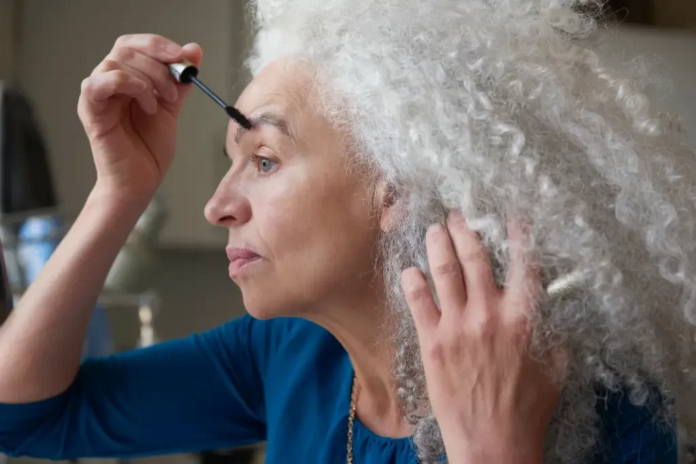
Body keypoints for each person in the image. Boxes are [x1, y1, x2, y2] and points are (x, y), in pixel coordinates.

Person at [0, 0, 695, 463]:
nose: (218, 206)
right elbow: (25, 417)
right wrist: (120, 191)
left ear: (395, 189)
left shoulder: (603, 408)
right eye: (233, 161)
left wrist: (494, 449)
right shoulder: (291, 353)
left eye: (264, 161)